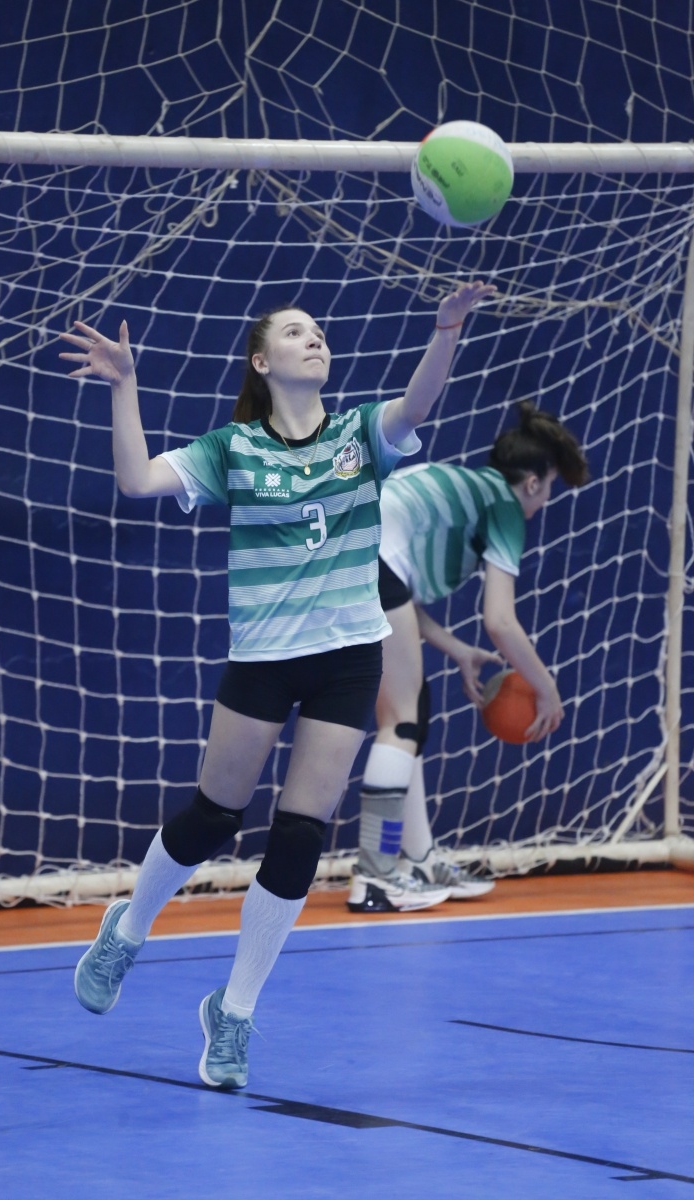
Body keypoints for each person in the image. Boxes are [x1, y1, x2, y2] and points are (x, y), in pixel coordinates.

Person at [59, 278, 495, 1090]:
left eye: (318, 330)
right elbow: (136, 481)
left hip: (347, 656)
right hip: (264, 655)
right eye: (295, 332)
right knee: (214, 815)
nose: (314, 338)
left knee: (300, 834)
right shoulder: (234, 449)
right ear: (262, 362)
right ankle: (127, 930)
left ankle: (235, 1012)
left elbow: (418, 405)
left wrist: (446, 331)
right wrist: (125, 386)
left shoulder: (361, 434)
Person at [348, 400, 590, 913]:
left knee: (412, 714)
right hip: (368, 561)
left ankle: (416, 858)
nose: (546, 499)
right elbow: (500, 621)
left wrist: (456, 649)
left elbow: (398, 592)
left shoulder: (467, 487)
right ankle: (374, 876)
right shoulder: (504, 507)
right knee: (401, 722)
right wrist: (546, 688)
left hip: (347, 556)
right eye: (549, 487)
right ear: (532, 483)